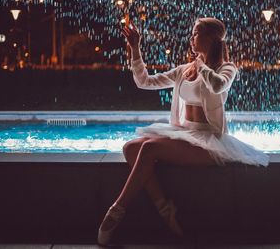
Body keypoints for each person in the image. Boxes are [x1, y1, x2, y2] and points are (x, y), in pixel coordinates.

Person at [97, 17, 270, 245]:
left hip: (208, 141)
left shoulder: (227, 68)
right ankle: (165, 208)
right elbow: (144, 81)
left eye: (196, 33)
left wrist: (202, 66)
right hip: (184, 135)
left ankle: (116, 212)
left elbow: (218, 85)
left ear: (211, 38)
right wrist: (135, 48)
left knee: (148, 148)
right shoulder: (184, 70)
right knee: (130, 148)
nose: (191, 38)